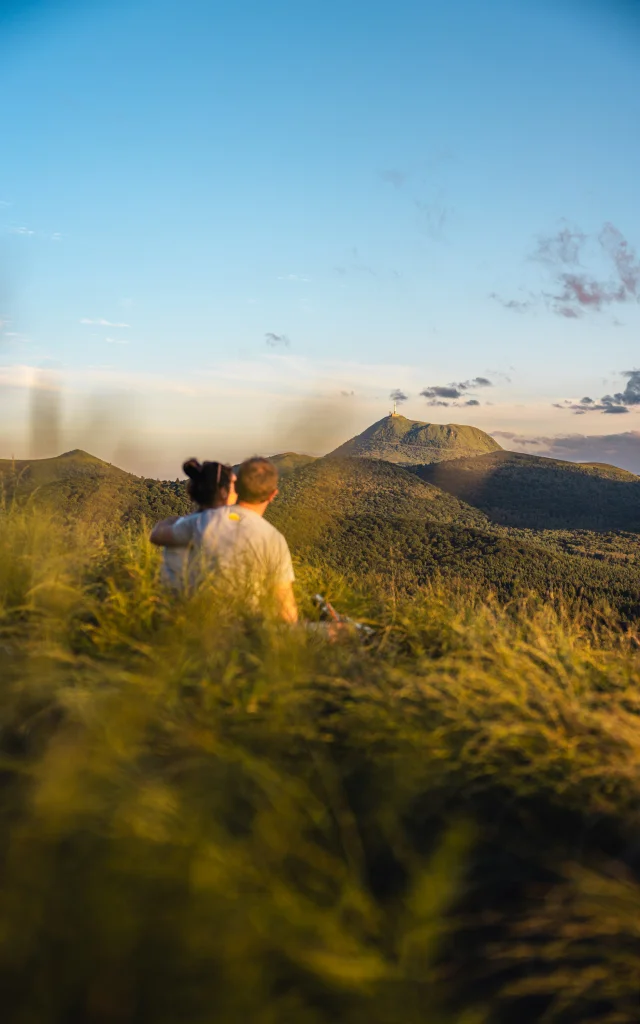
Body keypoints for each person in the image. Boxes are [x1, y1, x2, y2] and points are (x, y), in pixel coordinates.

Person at [151, 456, 298, 624]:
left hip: (186, 624)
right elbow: (287, 614)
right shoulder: (273, 538)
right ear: (273, 495)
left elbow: (158, 535)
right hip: (243, 629)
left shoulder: (197, 522)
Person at [151, 458, 237, 590]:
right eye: (233, 485)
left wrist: (173, 520)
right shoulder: (209, 522)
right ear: (223, 491)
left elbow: (158, 534)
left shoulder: (187, 523)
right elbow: (156, 536)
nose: (236, 491)